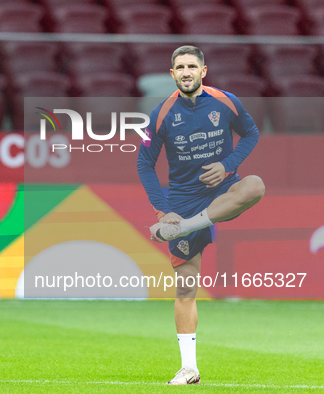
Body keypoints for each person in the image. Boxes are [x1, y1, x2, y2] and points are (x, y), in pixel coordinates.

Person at [137, 45, 265, 385]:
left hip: (223, 190)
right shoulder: (160, 114)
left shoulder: (226, 102)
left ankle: (191, 226)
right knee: (185, 289)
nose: (186, 72)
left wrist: (227, 165)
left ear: (203, 71)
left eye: (192, 66)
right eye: (180, 67)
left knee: (255, 185)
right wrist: (162, 211)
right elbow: (144, 163)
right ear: (172, 74)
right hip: (182, 200)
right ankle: (189, 368)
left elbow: (251, 133)